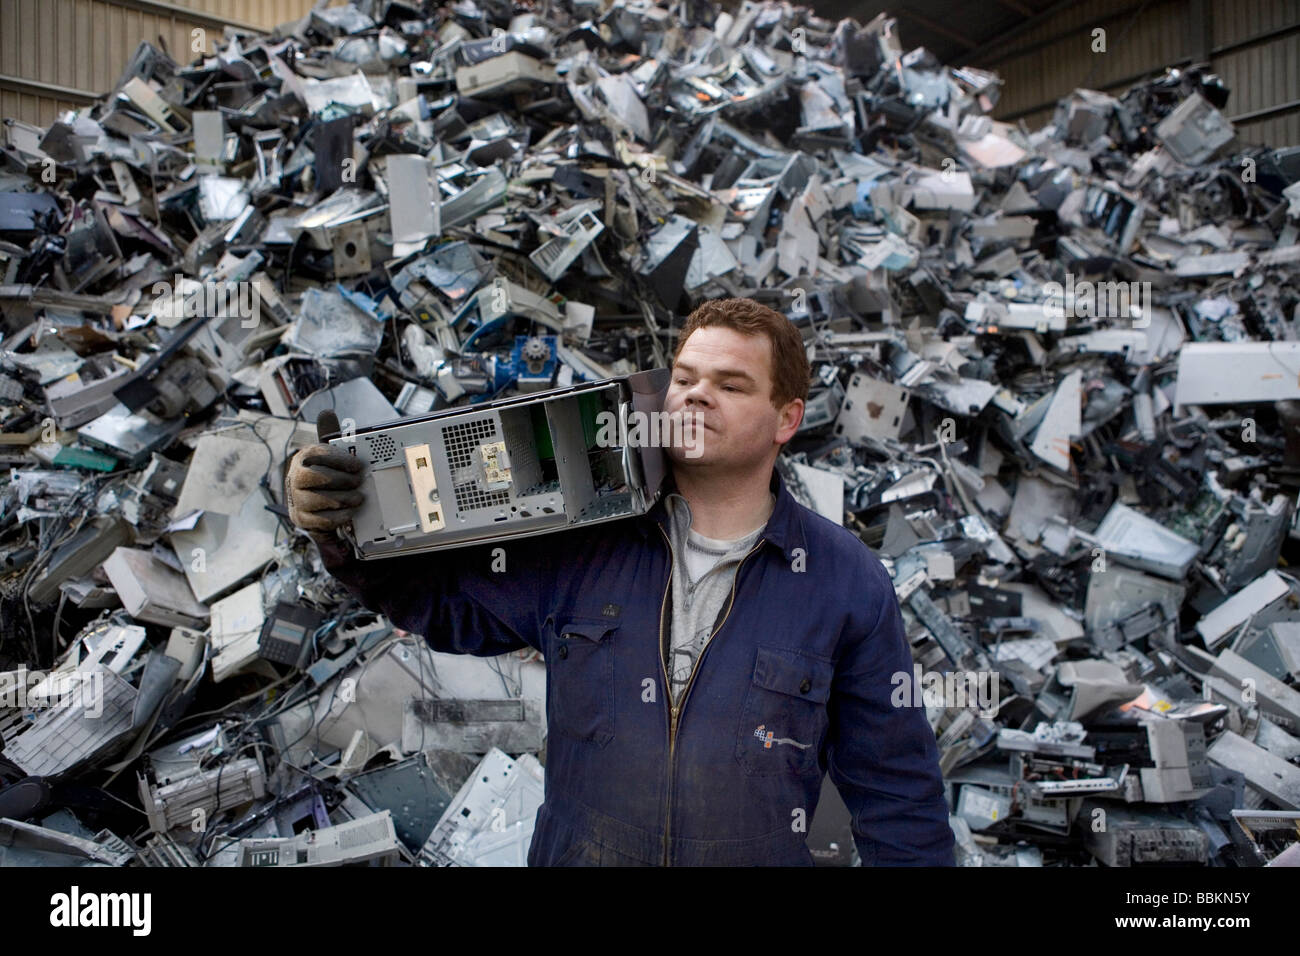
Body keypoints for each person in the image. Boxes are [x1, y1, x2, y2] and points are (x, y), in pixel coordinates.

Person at [286, 296, 955, 866]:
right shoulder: (583, 542)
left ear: (787, 419)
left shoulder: (844, 581)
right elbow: (444, 608)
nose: (696, 395)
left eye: (730, 384)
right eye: (686, 378)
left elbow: (896, 788)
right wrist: (340, 528)